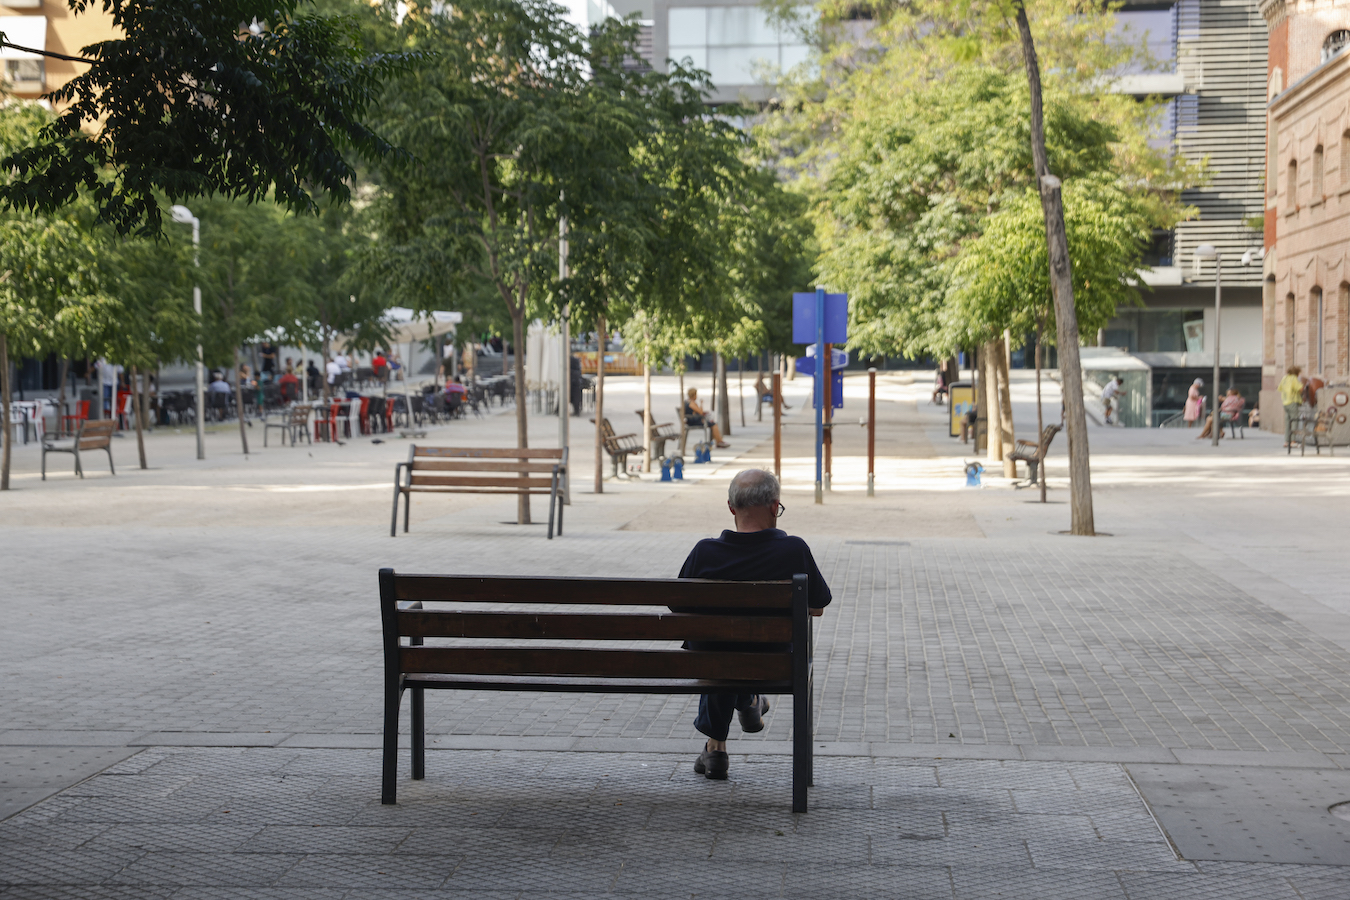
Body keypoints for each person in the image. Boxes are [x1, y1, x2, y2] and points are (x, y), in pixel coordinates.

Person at [676, 469, 832, 781]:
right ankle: (748, 699)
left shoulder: (704, 552)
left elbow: (678, 605)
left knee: (718, 650)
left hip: (710, 661)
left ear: (732, 508)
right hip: (772, 664)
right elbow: (817, 607)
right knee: (735, 653)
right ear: (775, 507)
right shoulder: (794, 550)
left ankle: (716, 747)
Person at [1278, 365, 1303, 447]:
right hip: (1293, 401)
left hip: (1285, 403)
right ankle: (1293, 441)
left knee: (1287, 422)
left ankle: (1286, 441)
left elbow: (1280, 388)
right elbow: (1300, 389)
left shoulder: (1284, 378)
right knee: (1294, 421)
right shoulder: (1293, 378)